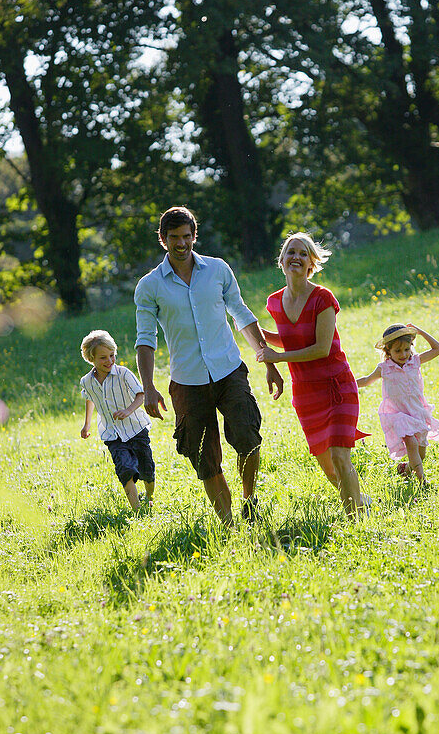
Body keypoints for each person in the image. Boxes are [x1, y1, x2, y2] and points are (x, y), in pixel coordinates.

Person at [134, 206, 283, 528]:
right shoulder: (149, 286)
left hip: (228, 369)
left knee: (247, 435)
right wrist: (148, 387)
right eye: (174, 238)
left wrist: (265, 356)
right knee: (203, 456)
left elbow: (240, 312)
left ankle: (249, 499)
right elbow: (145, 339)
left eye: (186, 236)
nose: (181, 244)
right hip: (187, 380)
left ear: (194, 235)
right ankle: (228, 525)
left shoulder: (217, 270)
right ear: (162, 239)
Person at [256, 232, 369, 519]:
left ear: (311, 263)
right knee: (328, 467)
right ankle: (360, 500)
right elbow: (289, 339)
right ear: (281, 261)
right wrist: (248, 328)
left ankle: (356, 520)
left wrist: (277, 358)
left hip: (336, 387)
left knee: (340, 456)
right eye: (290, 252)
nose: (295, 257)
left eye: (302, 253)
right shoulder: (274, 302)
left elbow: (320, 348)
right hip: (305, 393)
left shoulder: (322, 298)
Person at [356, 322, 439, 490]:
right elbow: (367, 380)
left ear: (411, 347)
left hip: (417, 412)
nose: (403, 354)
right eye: (397, 351)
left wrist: (420, 331)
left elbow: (438, 349)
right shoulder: (384, 368)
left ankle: (406, 468)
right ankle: (422, 482)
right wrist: (346, 384)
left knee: (421, 454)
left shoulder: (415, 361)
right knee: (411, 443)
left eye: (407, 349)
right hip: (398, 415)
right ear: (387, 351)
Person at [79, 329, 155, 512]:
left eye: (112, 355)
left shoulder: (123, 373)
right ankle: (137, 511)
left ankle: (150, 498)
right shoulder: (87, 381)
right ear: (92, 359)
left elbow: (140, 394)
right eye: (103, 358)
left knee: (147, 470)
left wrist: (128, 411)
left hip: (136, 428)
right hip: (112, 434)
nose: (109, 361)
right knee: (125, 470)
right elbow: (90, 398)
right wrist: (86, 424)